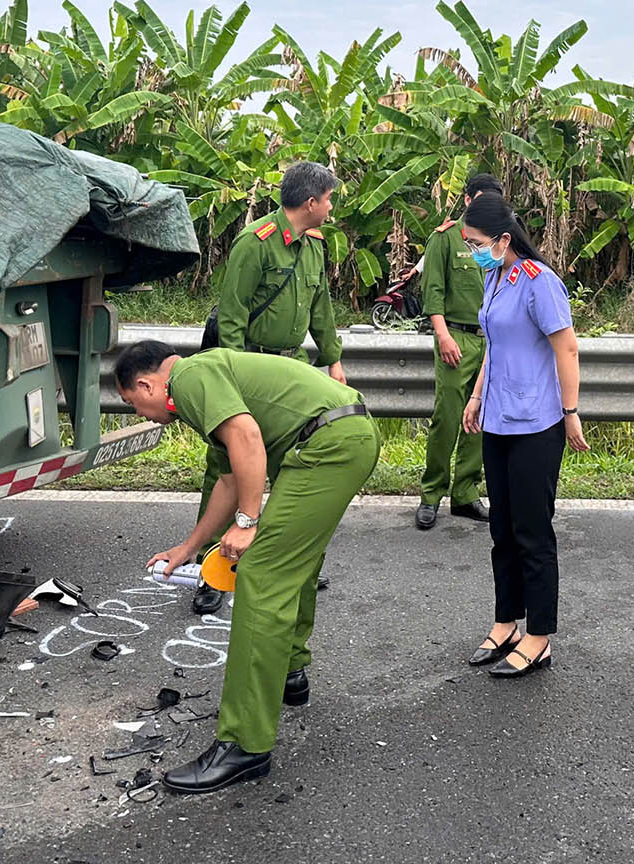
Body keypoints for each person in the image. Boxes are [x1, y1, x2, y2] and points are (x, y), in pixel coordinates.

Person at [116, 340, 379, 793]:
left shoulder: (191, 378)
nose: (139, 413)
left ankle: (244, 744)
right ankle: (289, 674)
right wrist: (190, 547)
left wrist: (247, 521)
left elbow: (247, 439)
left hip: (328, 445)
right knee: (295, 562)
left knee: (263, 574)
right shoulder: (206, 388)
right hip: (338, 438)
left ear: (147, 384)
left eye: (132, 403)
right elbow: (230, 478)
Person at [192, 161, 347, 615]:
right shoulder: (254, 243)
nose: (332, 206)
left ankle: (277, 565)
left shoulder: (314, 246)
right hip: (248, 368)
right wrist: (234, 380)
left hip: (291, 372)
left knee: (285, 470)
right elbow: (232, 317)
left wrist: (333, 360)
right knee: (225, 469)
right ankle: (210, 569)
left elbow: (322, 309)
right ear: (310, 202)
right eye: (329, 198)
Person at [460, 192, 588, 678]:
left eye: (475, 242)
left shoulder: (541, 282)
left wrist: (570, 412)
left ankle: (538, 637)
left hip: (536, 423)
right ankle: (505, 623)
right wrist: (476, 398)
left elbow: (567, 349)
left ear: (504, 239)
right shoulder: (494, 276)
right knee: (501, 531)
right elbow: (494, 347)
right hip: (497, 418)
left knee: (533, 533)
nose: (471, 250)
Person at [416, 174, 503, 530]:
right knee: (448, 418)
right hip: (456, 338)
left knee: (479, 417)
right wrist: (442, 335)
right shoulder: (446, 238)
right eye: (480, 199)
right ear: (467, 200)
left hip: (491, 339)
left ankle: (466, 493)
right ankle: (431, 494)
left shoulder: (500, 241)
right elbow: (433, 290)